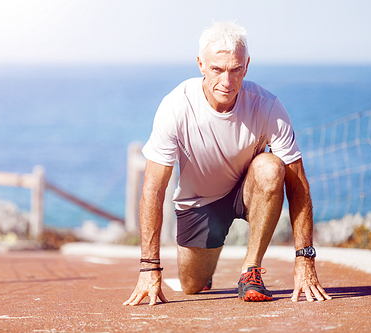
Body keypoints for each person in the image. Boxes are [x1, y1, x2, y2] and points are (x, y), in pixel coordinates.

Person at [123, 21, 331, 306]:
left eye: (235, 70)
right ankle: (206, 261)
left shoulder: (267, 106)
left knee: (271, 167)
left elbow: (298, 184)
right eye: (217, 69)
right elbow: (153, 190)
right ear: (200, 65)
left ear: (246, 66)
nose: (227, 82)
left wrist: (305, 260)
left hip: (248, 190)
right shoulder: (176, 107)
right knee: (192, 285)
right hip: (199, 202)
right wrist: (149, 267)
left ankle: (251, 270)